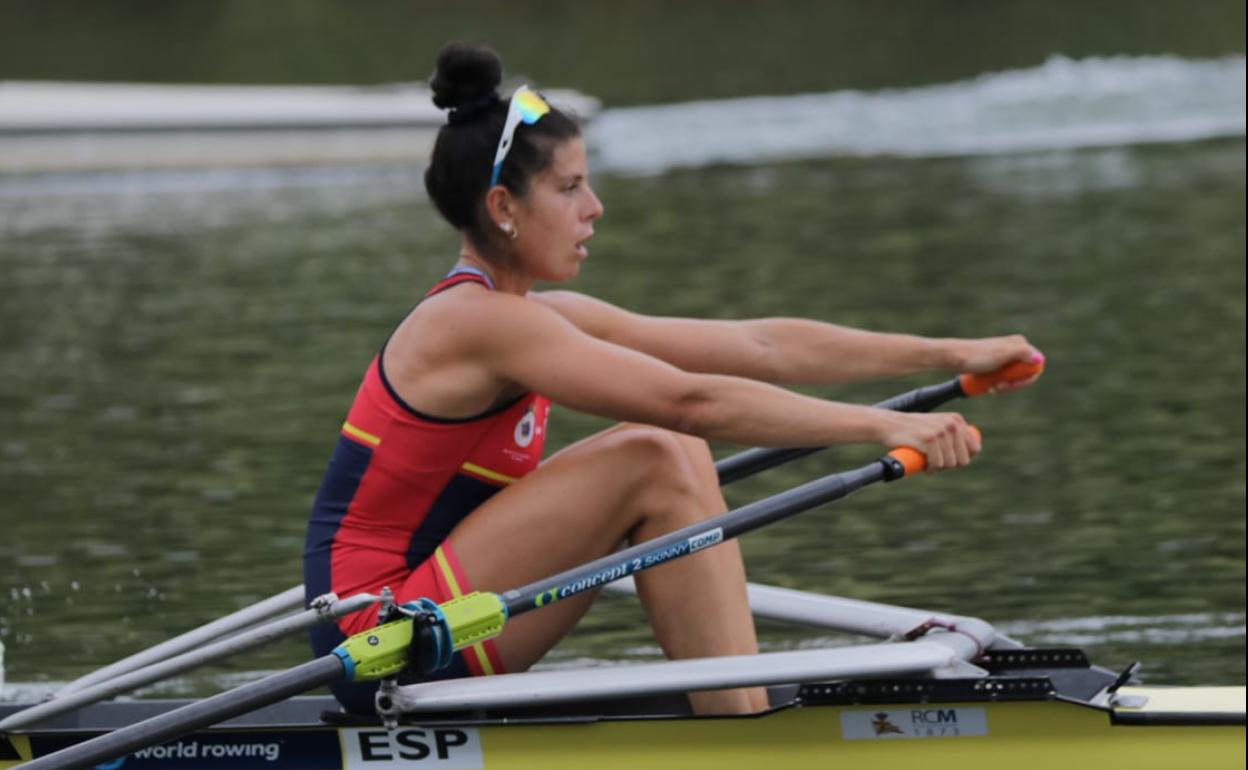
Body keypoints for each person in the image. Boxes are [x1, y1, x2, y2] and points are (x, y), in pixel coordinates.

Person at [303, 41, 1043, 716]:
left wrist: (951, 352)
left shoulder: (532, 314)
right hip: (386, 640)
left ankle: (736, 708)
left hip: (445, 606)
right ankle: (738, 724)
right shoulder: (480, 323)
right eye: (569, 189)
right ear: (504, 208)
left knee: (668, 452)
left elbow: (758, 347)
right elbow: (689, 401)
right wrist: (885, 427)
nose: (594, 208)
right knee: (659, 451)